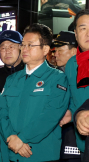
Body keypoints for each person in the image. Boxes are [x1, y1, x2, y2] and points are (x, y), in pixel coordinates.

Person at [0, 23, 70, 162]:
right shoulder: (12, 79)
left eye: (31, 45)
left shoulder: (57, 78)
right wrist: (12, 138)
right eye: (23, 45)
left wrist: (22, 138)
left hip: (41, 155)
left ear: (45, 49)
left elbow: (51, 115)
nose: (24, 49)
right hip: (12, 153)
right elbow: (1, 111)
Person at [52, 31, 80, 162]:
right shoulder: (55, 75)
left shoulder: (81, 74)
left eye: (59, 50)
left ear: (74, 51)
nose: (55, 54)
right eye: (54, 50)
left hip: (74, 138)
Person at [65, 9, 89, 158]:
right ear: (76, 33)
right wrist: (72, 114)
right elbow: (72, 101)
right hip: (83, 142)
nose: (88, 33)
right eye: (83, 28)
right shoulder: (71, 65)